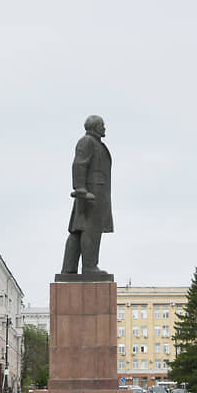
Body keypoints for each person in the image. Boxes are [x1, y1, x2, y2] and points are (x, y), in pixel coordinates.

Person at [61, 115, 113, 275]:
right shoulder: (88, 142)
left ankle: (69, 269)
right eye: (102, 125)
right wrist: (81, 189)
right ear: (95, 126)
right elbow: (79, 164)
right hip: (91, 194)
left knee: (78, 231)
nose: (104, 128)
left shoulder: (96, 143)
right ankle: (89, 266)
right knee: (91, 229)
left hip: (93, 192)